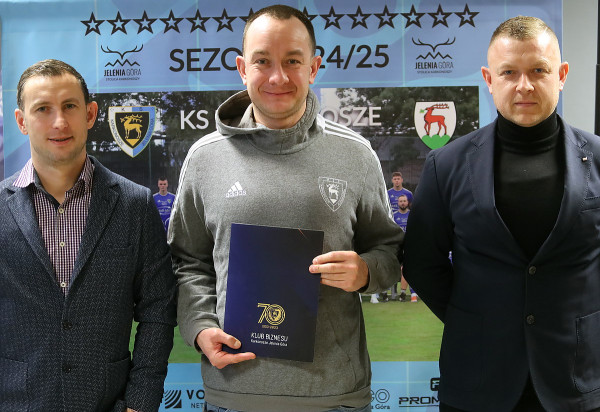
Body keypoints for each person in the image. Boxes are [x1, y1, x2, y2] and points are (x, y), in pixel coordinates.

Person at [168, 5, 403, 412]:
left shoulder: (356, 155)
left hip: (335, 398)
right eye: (262, 61)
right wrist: (200, 327)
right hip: (233, 395)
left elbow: (391, 252)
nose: (278, 77)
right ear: (242, 68)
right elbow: (186, 261)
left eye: (292, 61)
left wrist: (365, 271)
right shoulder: (205, 158)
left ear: (313, 68)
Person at [403, 16, 600, 411]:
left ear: (561, 75)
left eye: (538, 70)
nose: (524, 85)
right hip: (476, 380)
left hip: (578, 381)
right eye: (509, 72)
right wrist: (471, 318)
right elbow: (421, 263)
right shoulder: (446, 165)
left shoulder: (597, 158)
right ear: (489, 79)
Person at [1, 59, 176, 411]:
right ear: (21, 121)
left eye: (70, 106)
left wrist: (139, 403)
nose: (59, 122)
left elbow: (158, 308)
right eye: (43, 109)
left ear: (91, 114)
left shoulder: (135, 204)